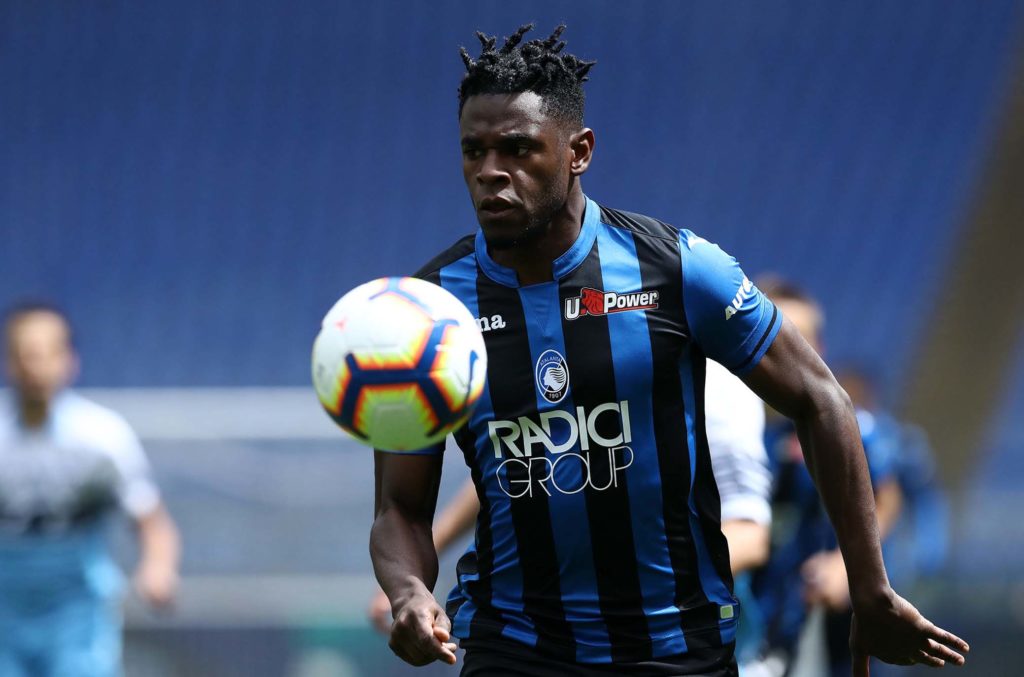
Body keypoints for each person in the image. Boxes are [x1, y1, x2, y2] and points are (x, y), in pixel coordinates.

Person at [369, 24, 968, 676]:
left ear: (579, 151)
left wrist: (869, 586)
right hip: (514, 646)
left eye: (517, 148)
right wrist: (408, 589)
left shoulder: (677, 270)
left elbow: (821, 399)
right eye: (473, 151)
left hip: (676, 647)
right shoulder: (431, 312)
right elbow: (399, 506)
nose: (490, 172)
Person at [368, 359, 774, 633]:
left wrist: (625, 586)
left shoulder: (716, 385)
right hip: (534, 633)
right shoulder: (559, 349)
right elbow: (521, 464)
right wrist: (415, 577)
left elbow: (750, 534)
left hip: (675, 633)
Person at [0, 303, 181, 677]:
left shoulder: (102, 437)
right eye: (27, 354)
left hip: (75, 612)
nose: (37, 366)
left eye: (48, 352)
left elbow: (151, 520)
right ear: (10, 362)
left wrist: (158, 568)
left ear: (69, 360)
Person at [739, 280, 903, 676]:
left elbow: (887, 497)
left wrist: (848, 569)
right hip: (776, 617)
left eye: (796, 340)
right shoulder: (761, 437)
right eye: (770, 341)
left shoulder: (854, 430)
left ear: (818, 348)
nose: (782, 354)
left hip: (842, 613)